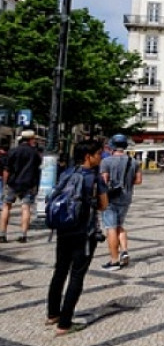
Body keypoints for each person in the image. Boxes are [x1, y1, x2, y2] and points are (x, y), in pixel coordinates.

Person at [46, 139, 108, 335]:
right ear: (88, 156)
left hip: (63, 229)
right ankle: (65, 323)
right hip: (84, 232)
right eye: (98, 154)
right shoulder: (95, 178)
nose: (101, 157)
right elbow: (103, 205)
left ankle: (53, 314)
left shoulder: (67, 173)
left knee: (60, 271)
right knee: (77, 275)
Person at [99, 134, 142, 271]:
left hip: (110, 199)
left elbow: (103, 182)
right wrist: (127, 183)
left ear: (112, 145)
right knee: (119, 225)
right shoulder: (134, 162)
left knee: (111, 228)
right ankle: (124, 250)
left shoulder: (106, 161)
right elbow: (139, 180)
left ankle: (114, 261)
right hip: (126, 198)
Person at [1, 130, 42, 243]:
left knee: (6, 207)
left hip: (12, 183)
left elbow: (7, 169)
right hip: (28, 184)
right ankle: (23, 235)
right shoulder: (35, 153)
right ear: (31, 139)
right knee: (26, 208)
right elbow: (37, 169)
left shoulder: (13, 151)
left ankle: (2, 234)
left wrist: (5, 184)